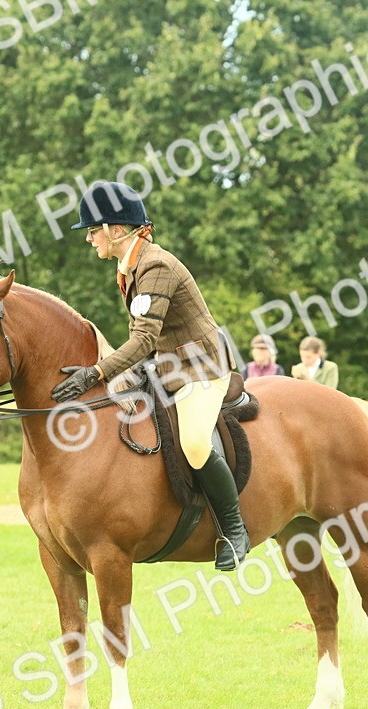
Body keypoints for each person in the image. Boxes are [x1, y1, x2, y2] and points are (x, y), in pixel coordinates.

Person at [49, 181, 250, 571]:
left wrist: (97, 371)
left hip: (201, 367)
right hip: (165, 366)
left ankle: (234, 529)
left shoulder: (156, 264)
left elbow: (142, 340)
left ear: (117, 229)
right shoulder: (130, 267)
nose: (89, 238)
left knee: (193, 442)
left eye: (93, 230)